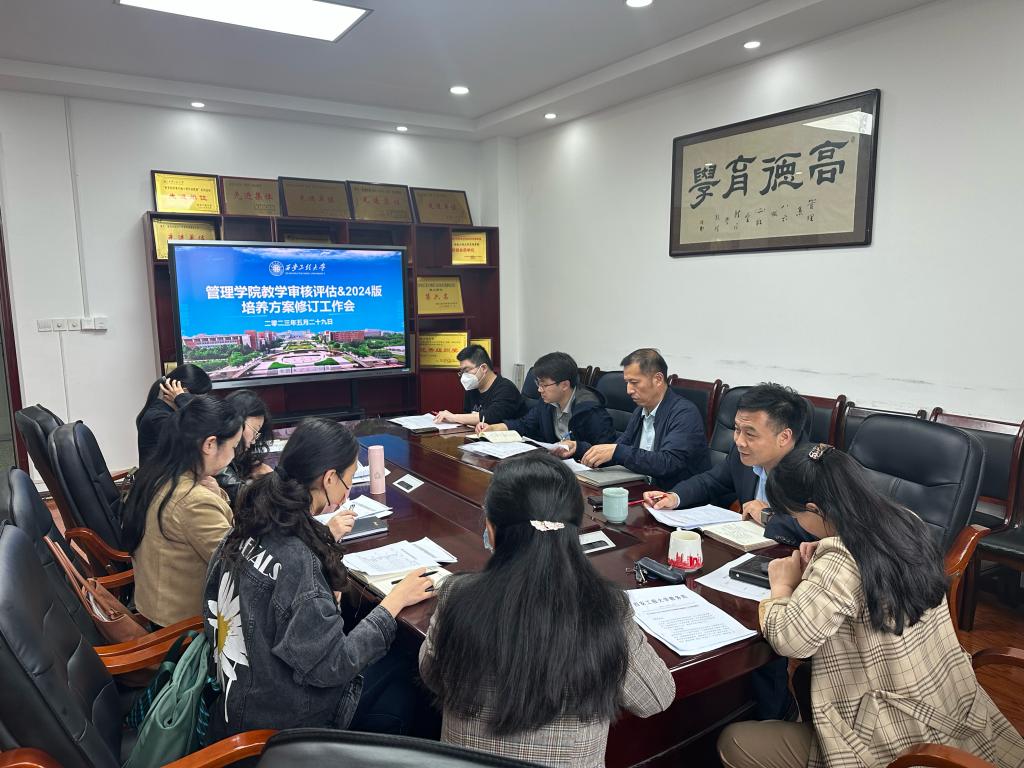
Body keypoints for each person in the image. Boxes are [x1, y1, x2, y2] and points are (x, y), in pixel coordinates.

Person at [718, 443, 1024, 768]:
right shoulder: (907, 521)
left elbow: (790, 641)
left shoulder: (840, 559)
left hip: (897, 741)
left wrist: (782, 585)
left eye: (795, 516)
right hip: (951, 706)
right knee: (807, 676)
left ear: (814, 508)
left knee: (734, 741)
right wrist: (824, 556)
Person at [419, 452, 674, 768]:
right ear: (574, 529)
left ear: (492, 529)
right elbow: (656, 698)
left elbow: (431, 674)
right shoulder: (605, 608)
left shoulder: (456, 595)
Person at [204, 418, 435, 741]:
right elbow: (334, 665)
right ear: (329, 478)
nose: (347, 491)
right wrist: (392, 604)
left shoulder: (249, 523)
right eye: (348, 480)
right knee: (406, 666)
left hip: (238, 697)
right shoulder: (298, 559)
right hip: (282, 723)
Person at [643, 382, 816, 548]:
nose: (739, 441)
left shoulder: (815, 470)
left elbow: (820, 533)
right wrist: (674, 497)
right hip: (745, 546)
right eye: (737, 429)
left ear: (784, 437)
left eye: (750, 434)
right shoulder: (743, 454)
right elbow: (710, 481)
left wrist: (767, 517)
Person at [122, 395, 242, 628]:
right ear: (210, 444)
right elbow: (236, 564)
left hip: (157, 611)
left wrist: (218, 495)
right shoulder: (194, 502)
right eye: (233, 447)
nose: (234, 455)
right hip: (187, 631)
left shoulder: (157, 475)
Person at [578, 348, 709, 488]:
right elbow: (617, 450)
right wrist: (579, 448)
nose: (628, 390)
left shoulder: (684, 414)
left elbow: (668, 463)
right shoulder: (640, 411)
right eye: (627, 382)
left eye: (634, 382)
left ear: (658, 379)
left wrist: (617, 451)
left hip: (673, 495)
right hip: (641, 488)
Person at [477, 352, 615, 461]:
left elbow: (606, 450)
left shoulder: (590, 410)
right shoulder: (547, 403)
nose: (539, 390)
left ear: (564, 385)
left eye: (544, 385)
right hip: (555, 465)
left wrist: (578, 448)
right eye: (538, 384)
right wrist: (494, 428)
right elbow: (525, 424)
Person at [136, 363, 212, 467]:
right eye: (201, 398)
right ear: (182, 391)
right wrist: (183, 399)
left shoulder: (170, 412)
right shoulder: (158, 417)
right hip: (160, 476)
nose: (202, 403)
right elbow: (201, 432)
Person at [433, 344, 525, 426]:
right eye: (462, 372)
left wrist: (453, 417)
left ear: (483, 368)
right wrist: (452, 419)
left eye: (466, 370)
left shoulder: (506, 389)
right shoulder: (472, 388)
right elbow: (467, 416)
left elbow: (490, 417)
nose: (464, 376)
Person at [217, 389, 274, 504]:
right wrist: (270, 481)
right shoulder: (218, 455)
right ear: (238, 420)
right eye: (255, 430)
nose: (253, 441)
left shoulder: (234, 457)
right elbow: (245, 500)